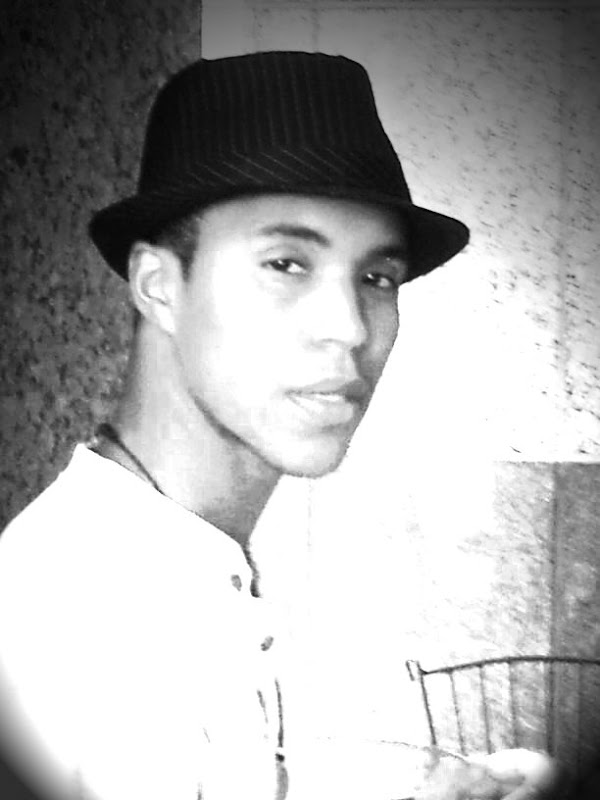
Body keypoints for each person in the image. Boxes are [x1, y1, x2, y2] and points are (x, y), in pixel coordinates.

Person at [1, 49, 542, 800]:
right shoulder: (73, 630)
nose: (350, 327)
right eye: (286, 263)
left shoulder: (174, 558)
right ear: (158, 286)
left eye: (377, 277)